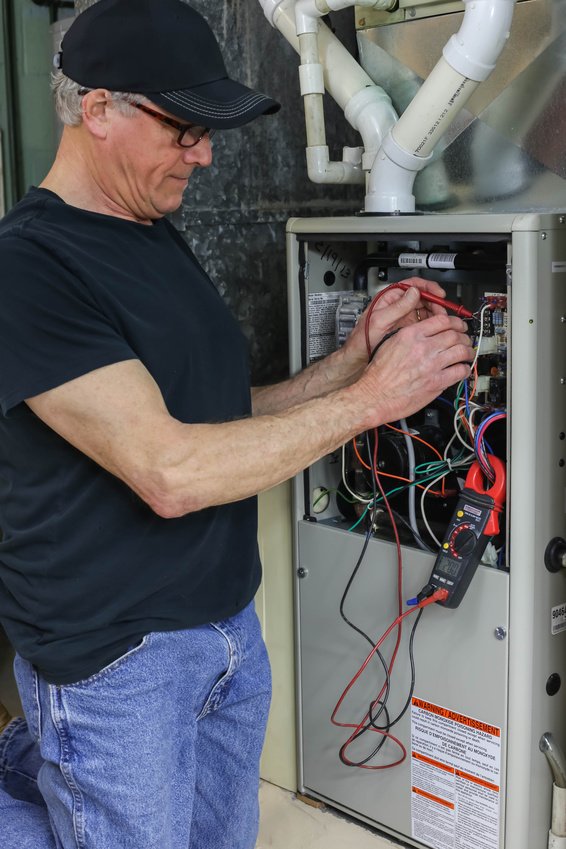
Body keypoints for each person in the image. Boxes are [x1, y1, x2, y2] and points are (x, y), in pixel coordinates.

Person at [0, 0, 474, 847]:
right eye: (183, 129)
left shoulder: (150, 232)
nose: (207, 153)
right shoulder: (28, 267)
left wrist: (356, 362)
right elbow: (171, 470)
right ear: (99, 108)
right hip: (118, 665)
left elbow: (220, 422)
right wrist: (373, 402)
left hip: (224, 635)